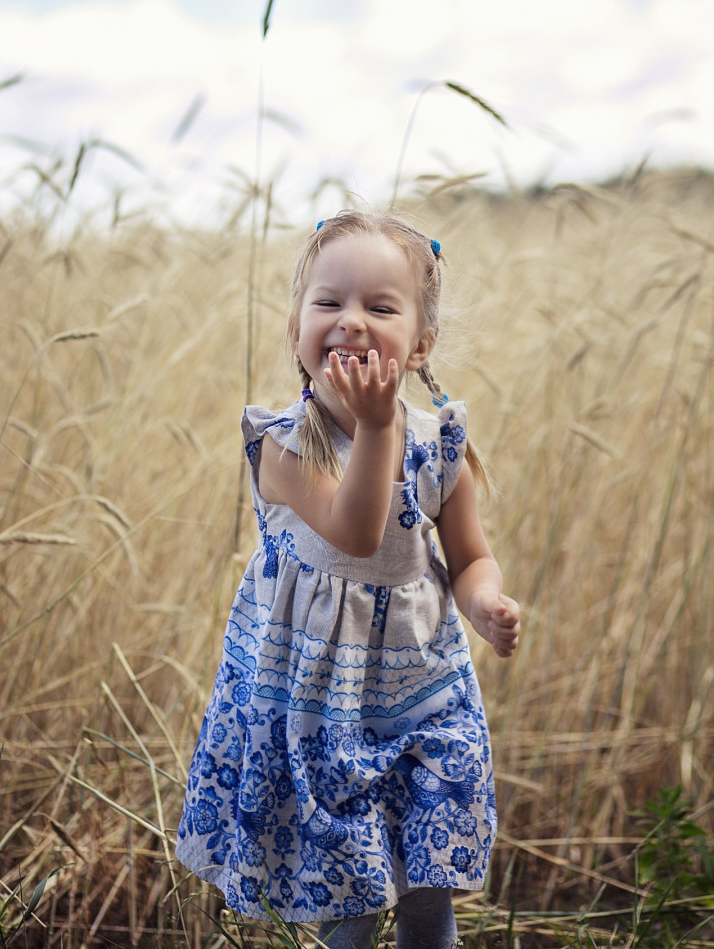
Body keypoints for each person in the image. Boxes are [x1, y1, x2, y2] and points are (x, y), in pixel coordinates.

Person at [175, 211, 520, 949]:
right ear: (298, 324)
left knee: (430, 887)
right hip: (318, 708)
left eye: (380, 307)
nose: (351, 322)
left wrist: (486, 602)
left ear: (420, 343)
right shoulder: (285, 447)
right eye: (328, 303)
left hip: (423, 690)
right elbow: (359, 534)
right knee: (352, 903)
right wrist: (374, 429)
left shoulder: (439, 446)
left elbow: (469, 558)